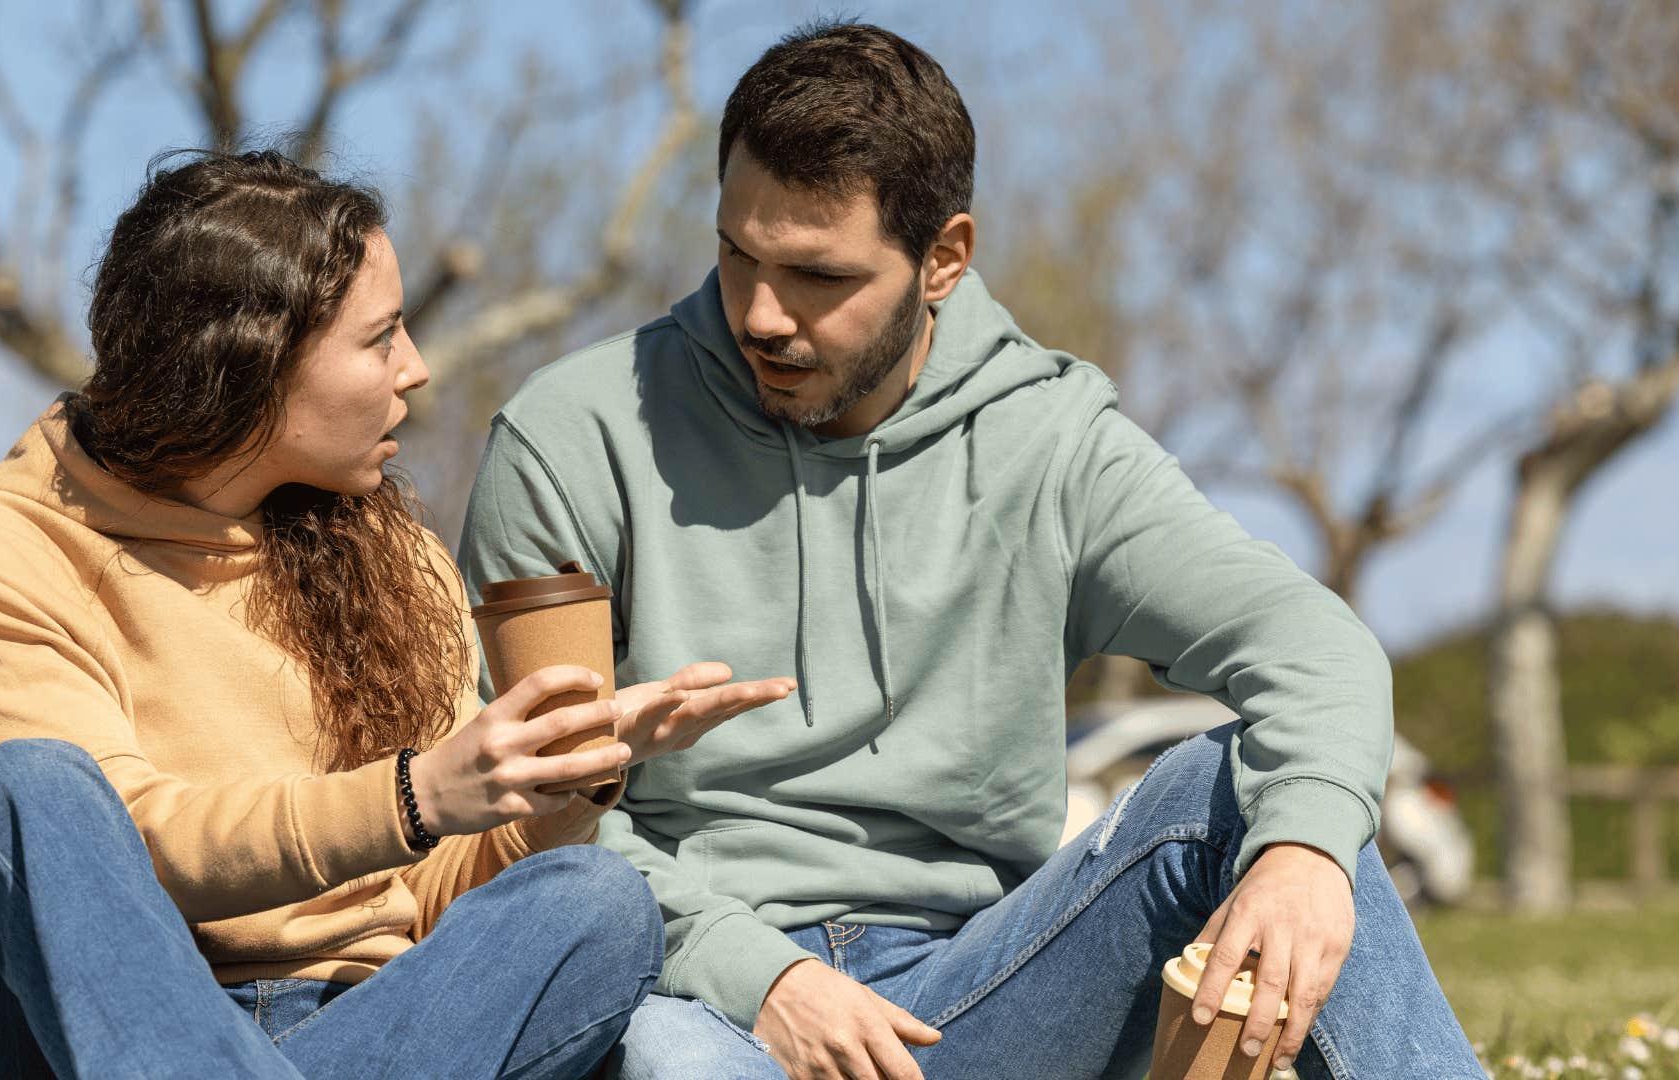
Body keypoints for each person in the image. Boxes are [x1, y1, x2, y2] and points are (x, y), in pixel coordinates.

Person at [460, 21, 1485, 1080]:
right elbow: (534, 815)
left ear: (943, 259)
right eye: (736, 253)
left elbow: (1313, 646)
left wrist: (1305, 851)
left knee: (1269, 804)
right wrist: (756, 975)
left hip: (980, 989)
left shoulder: (1051, 444)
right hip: (695, 993)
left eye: (817, 276)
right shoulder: (570, 437)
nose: (759, 313)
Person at [0, 149, 785, 1079]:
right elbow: (125, 857)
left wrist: (557, 787)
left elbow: (429, 897)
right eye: (382, 336)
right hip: (89, 1030)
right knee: (26, 788)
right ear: (251, 359)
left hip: (377, 1027)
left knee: (597, 898)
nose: (418, 368)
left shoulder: (391, 558)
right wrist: (414, 794)